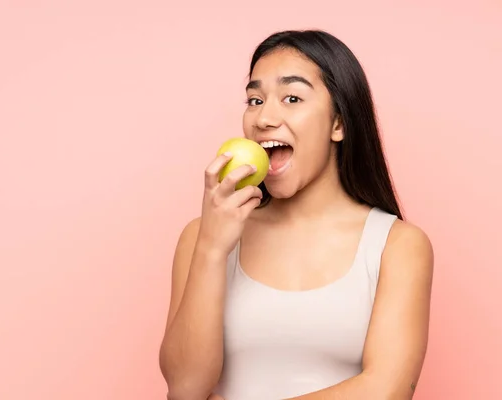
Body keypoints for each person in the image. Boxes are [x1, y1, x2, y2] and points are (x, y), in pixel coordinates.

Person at [159, 29, 434, 400]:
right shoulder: (202, 235)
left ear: (339, 123)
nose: (264, 118)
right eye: (254, 100)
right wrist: (211, 249)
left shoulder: (397, 245)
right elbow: (185, 388)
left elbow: (385, 390)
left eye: (292, 97)